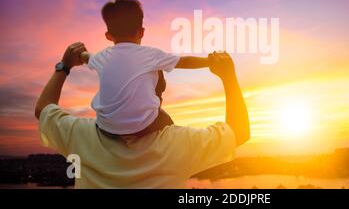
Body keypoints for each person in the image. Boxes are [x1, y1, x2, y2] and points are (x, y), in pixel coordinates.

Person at [34, 43, 250, 188]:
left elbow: (43, 108)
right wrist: (228, 77)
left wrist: (64, 67)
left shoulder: (80, 136)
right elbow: (239, 132)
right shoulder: (177, 145)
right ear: (158, 97)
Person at [78, 0, 210, 136]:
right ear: (141, 32)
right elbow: (185, 62)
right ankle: (168, 135)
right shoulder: (150, 54)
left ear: (108, 36)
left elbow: (87, 58)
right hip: (143, 127)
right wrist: (210, 61)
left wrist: (82, 53)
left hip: (107, 128)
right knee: (158, 70)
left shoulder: (101, 57)